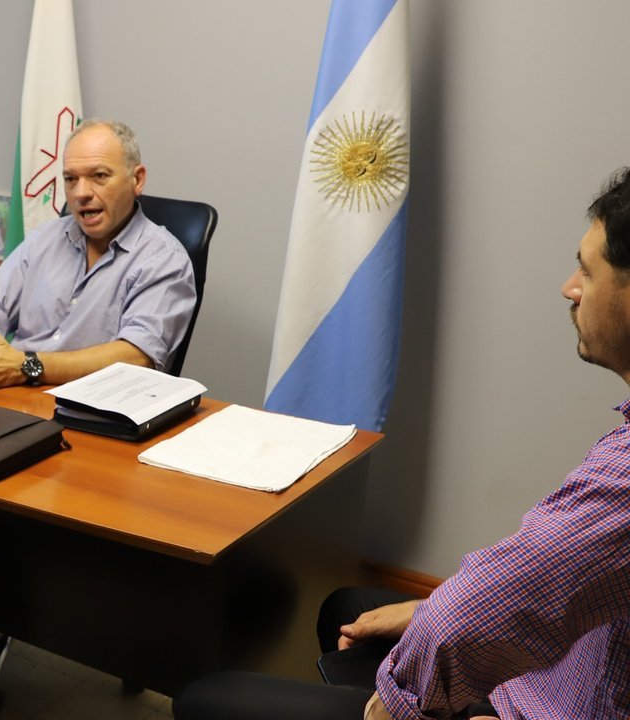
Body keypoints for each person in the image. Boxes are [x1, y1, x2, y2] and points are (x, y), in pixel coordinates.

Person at [173, 167, 630, 720]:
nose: (569, 286)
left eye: (587, 269)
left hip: (561, 704)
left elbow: (478, 613)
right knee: (349, 609)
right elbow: (537, 582)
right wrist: (429, 608)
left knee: (204, 699)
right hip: (565, 670)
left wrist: (390, 708)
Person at [0, 119, 196, 391]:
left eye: (99, 176)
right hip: (9, 398)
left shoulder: (164, 259)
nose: (80, 193)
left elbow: (135, 357)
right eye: (70, 179)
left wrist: (26, 366)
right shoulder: (44, 238)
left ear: (137, 179)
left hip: (91, 417)